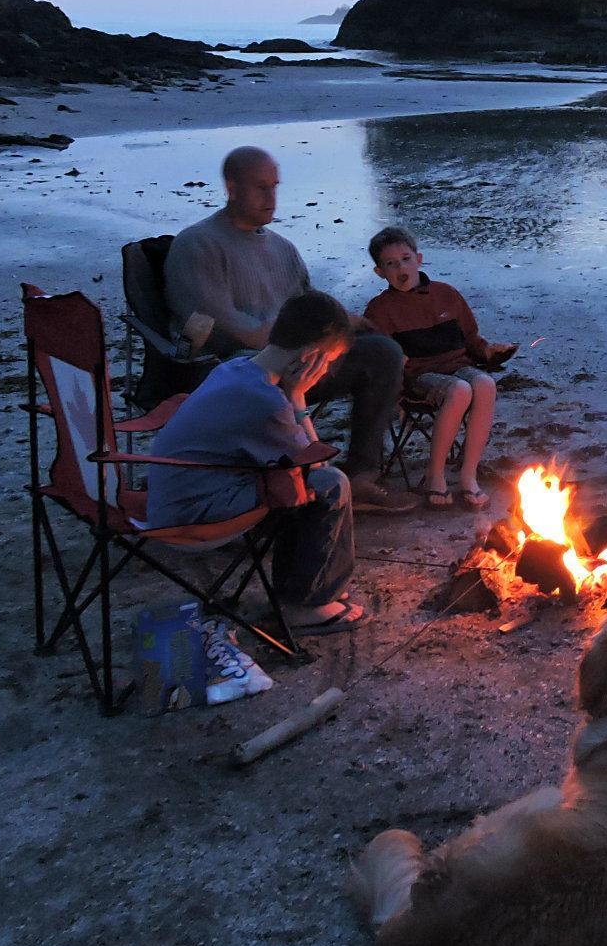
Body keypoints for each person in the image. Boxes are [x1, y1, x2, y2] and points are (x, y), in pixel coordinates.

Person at [163, 145, 415, 512]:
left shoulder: (282, 248)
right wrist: (296, 350)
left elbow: (309, 306)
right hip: (241, 371)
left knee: (382, 352)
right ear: (231, 187)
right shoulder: (198, 244)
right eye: (260, 187)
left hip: (299, 357)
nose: (271, 197)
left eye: (275, 186)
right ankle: (308, 477)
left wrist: (349, 325)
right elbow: (225, 326)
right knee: (265, 362)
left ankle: (361, 475)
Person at [146, 291, 370, 634]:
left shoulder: (236, 368)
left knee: (297, 485)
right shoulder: (265, 400)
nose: (326, 371)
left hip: (176, 497)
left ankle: (319, 586)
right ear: (311, 357)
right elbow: (317, 464)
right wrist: (298, 397)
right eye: (329, 361)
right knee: (330, 485)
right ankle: (303, 605)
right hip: (191, 513)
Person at [361, 225, 516, 509]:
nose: (401, 268)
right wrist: (394, 362)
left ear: (419, 259)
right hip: (417, 377)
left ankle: (468, 475)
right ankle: (436, 477)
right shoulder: (379, 310)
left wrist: (489, 351)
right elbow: (379, 355)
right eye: (390, 264)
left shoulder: (446, 295)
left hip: (457, 365)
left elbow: (471, 339)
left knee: (484, 383)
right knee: (458, 390)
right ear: (379, 272)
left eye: (406, 259)